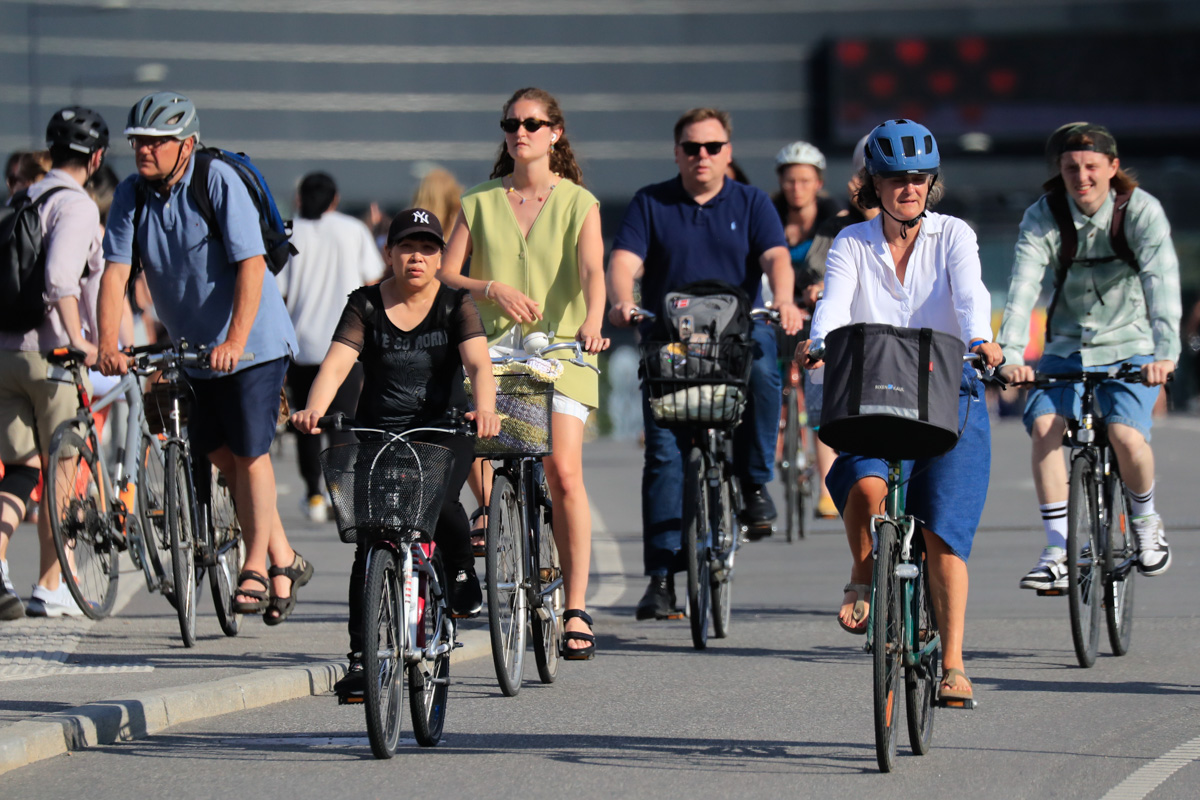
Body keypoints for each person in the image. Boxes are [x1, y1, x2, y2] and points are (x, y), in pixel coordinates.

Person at [802, 118, 1002, 704]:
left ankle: (955, 662)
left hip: (949, 392)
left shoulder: (953, 236)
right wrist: (819, 344)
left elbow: (970, 296)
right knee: (865, 491)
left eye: (918, 179)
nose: (907, 188)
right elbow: (835, 306)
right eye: (894, 179)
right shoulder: (851, 243)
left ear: (931, 183)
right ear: (874, 184)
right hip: (874, 389)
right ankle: (865, 571)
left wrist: (984, 340)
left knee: (942, 533)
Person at [97, 91, 309, 625]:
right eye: (138, 142)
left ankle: (257, 566)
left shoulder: (216, 182)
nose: (143, 151)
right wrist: (106, 343)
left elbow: (252, 265)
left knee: (252, 451)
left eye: (156, 142)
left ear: (186, 144)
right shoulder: (131, 195)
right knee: (221, 455)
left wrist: (236, 341)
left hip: (252, 343)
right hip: (194, 351)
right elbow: (116, 272)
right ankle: (286, 557)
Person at [291, 208, 499, 696]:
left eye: (428, 248)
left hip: (444, 428)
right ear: (388, 254)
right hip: (379, 432)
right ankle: (361, 660)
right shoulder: (364, 304)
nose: (417, 257)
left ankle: (462, 569)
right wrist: (313, 409)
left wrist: (484, 409)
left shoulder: (455, 304)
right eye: (407, 246)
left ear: (439, 257)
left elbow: (478, 364)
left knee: (441, 500)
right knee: (369, 543)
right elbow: (337, 363)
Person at [607, 107, 802, 620]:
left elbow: (776, 257)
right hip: (670, 340)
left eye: (712, 147)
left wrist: (784, 299)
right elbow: (625, 259)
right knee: (665, 456)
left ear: (728, 154)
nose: (701, 156)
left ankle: (755, 484)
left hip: (737, 333)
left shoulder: (752, 201)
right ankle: (660, 580)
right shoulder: (651, 202)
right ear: (677, 153)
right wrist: (623, 298)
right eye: (691, 147)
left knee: (764, 373)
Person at [439, 86, 608, 659]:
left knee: (562, 472)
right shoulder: (479, 200)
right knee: (469, 443)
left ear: (555, 132)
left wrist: (594, 322)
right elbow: (445, 274)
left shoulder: (579, 202)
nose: (521, 132)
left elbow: (593, 273)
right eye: (511, 123)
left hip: (561, 350)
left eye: (533, 124)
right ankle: (495, 510)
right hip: (490, 350)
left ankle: (577, 607)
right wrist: (490, 288)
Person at [996, 123, 1179, 588]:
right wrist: (1013, 355)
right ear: (1059, 171)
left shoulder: (1140, 212)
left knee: (1126, 434)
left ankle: (1145, 521)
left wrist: (1165, 352)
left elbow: (1162, 283)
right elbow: (1022, 289)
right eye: (1071, 167)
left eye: (1092, 166)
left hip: (1131, 345)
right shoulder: (1044, 215)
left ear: (1113, 168)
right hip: (1066, 345)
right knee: (1043, 427)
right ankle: (1059, 548)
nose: (1082, 177)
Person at [0, 107, 110, 619]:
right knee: (63, 469)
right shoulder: (78, 206)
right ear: (99, 157)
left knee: (20, 470)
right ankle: (51, 584)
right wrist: (81, 342)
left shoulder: (22, 196)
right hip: (51, 357)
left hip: (6, 354)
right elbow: (62, 279)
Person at [277, 171, 384, 522]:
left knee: (308, 421)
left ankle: (313, 495)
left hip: (303, 343)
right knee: (343, 423)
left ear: (299, 198)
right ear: (335, 199)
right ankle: (341, 494)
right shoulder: (352, 230)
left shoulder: (290, 231)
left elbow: (281, 289)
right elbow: (373, 279)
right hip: (348, 344)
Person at [773, 140, 844, 519]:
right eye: (789, 181)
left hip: (816, 311)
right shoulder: (769, 214)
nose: (796, 188)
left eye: (804, 180)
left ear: (818, 183)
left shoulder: (833, 218)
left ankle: (828, 487)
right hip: (778, 310)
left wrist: (820, 289)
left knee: (817, 394)